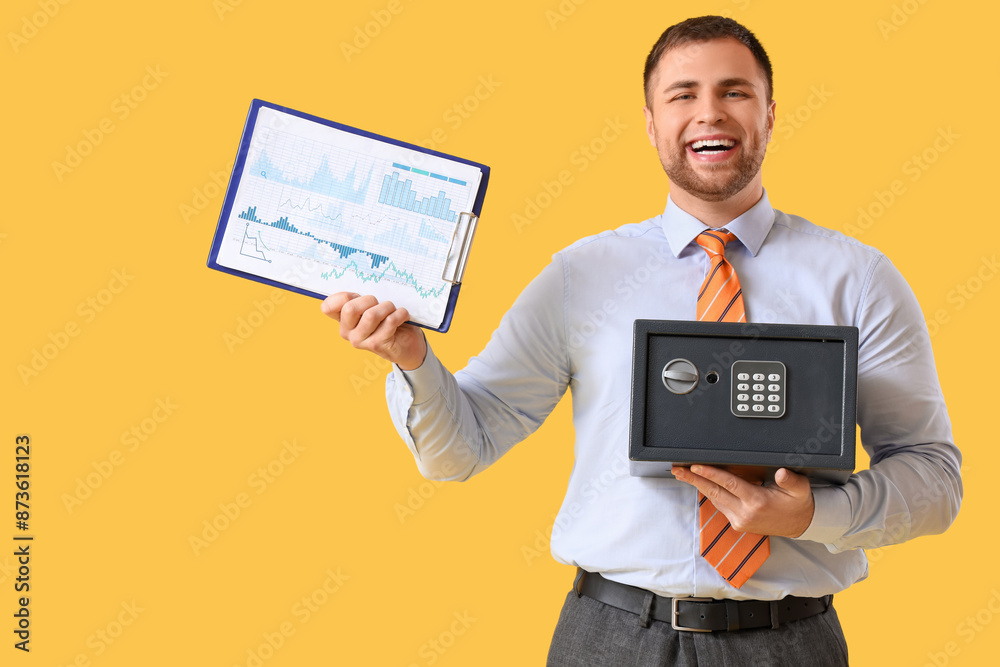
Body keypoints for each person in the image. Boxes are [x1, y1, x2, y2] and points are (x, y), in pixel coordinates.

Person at [322, 15, 962, 666]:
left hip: (789, 641)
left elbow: (936, 480)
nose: (709, 114)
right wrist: (413, 362)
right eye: (682, 95)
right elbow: (462, 448)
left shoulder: (860, 280)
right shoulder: (580, 275)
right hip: (609, 636)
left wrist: (811, 516)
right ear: (652, 123)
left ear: (770, 113)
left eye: (734, 92)